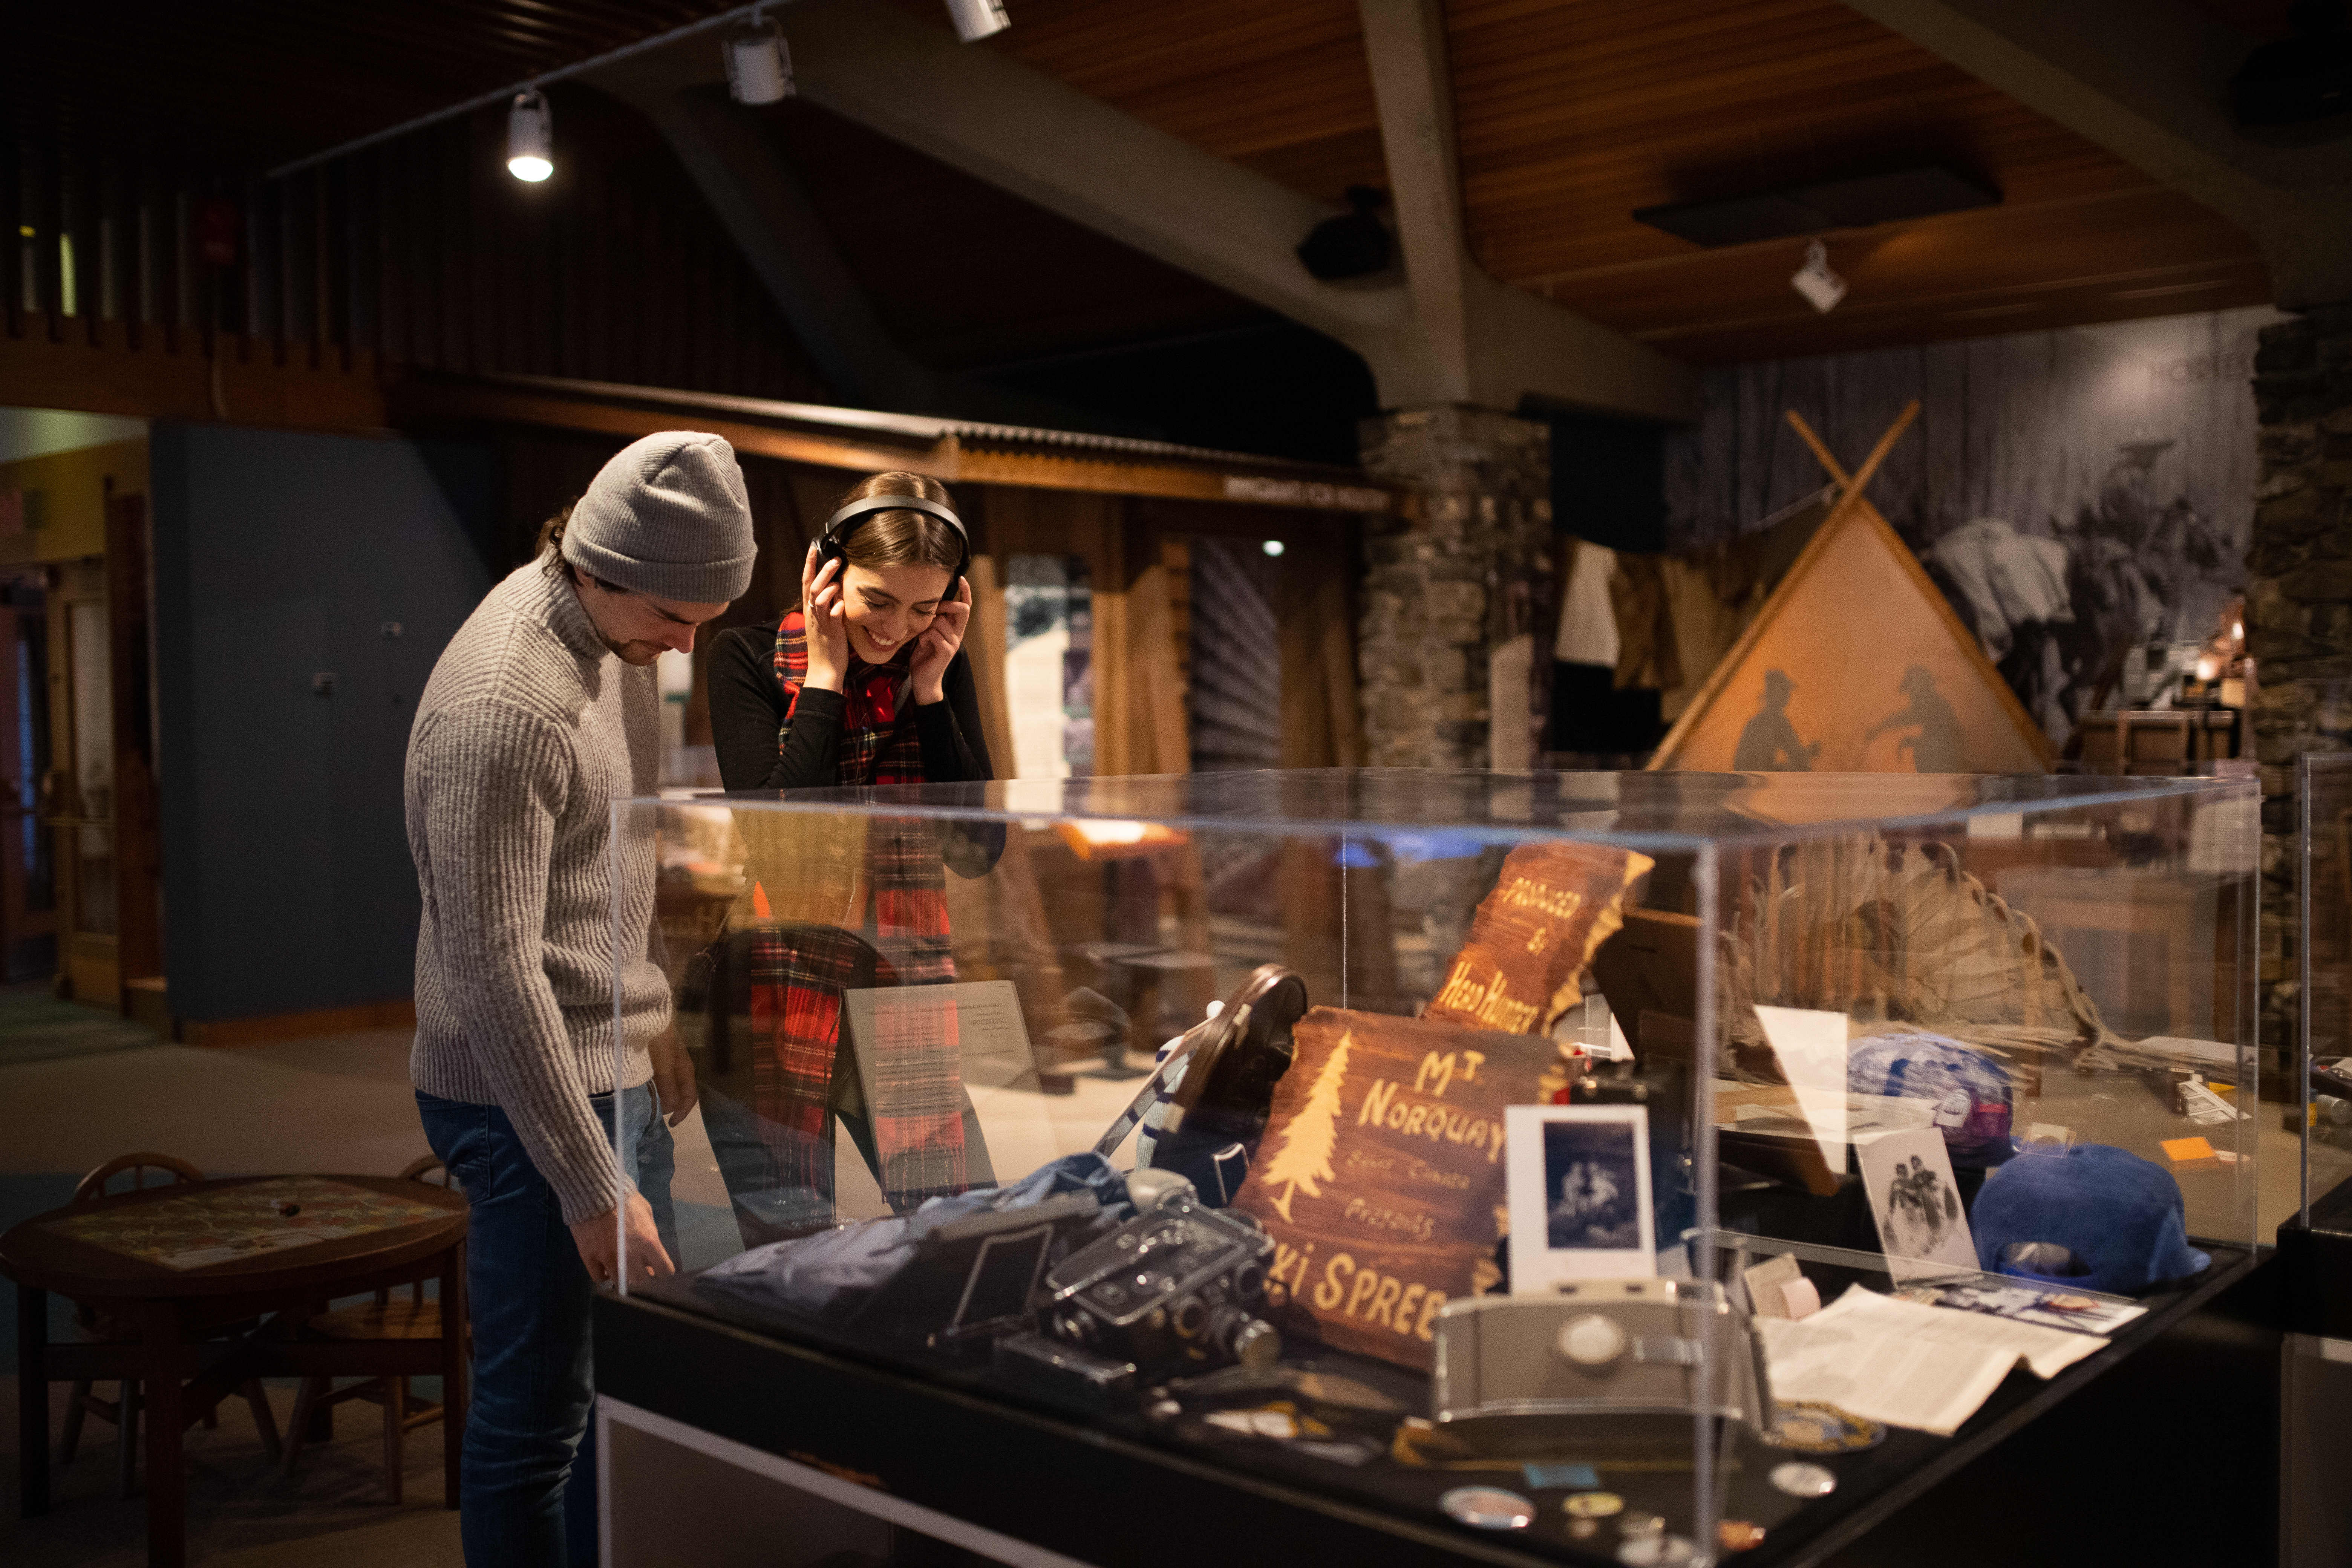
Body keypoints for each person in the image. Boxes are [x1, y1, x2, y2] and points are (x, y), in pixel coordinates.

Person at [406, 430, 754, 1567]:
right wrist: (590, 1182)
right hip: (525, 1101)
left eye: (705, 619)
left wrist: (656, 1027)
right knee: (533, 1422)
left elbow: (620, 856)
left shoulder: (618, 641)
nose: (686, 644)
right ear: (597, 564)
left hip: (611, 1068)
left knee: (615, 1392)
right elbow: (493, 970)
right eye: (674, 616)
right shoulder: (508, 702)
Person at [704, 470, 997, 1243]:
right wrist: (828, 678)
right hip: (768, 997)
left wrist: (931, 691)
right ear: (828, 575)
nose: (898, 628)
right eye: (879, 599)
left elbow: (976, 850)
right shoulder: (747, 658)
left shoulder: (934, 665)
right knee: (791, 1256)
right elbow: (779, 845)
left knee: (967, 1231)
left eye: (923, 607)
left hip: (896, 998)